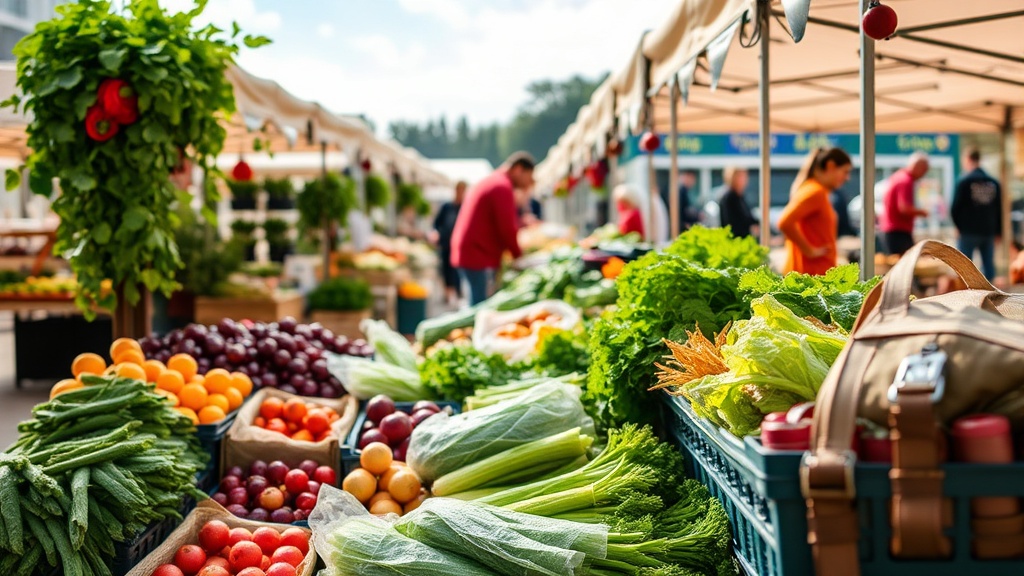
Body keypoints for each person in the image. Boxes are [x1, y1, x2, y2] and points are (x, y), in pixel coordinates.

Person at [451, 152, 533, 305]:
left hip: (472, 251)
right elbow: (506, 227)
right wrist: (518, 256)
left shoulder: (493, 181)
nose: (529, 181)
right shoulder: (502, 186)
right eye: (528, 175)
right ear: (518, 169)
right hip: (478, 254)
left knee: (475, 304)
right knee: (479, 308)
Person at [778, 147, 853, 275]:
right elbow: (784, 222)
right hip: (812, 276)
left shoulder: (815, 190)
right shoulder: (815, 192)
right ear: (830, 166)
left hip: (814, 275)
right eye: (845, 172)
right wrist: (809, 251)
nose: (847, 178)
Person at [952, 147, 1002, 281]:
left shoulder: (964, 181)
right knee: (988, 266)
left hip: (968, 230)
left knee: (964, 267)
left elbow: (955, 208)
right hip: (988, 230)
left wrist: (958, 226)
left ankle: (967, 297)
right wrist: (998, 231)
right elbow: (999, 209)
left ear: (967, 159)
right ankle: (989, 296)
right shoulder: (993, 182)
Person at [880, 152, 931, 256]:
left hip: (892, 229)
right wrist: (922, 212)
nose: (924, 174)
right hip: (898, 230)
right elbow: (904, 208)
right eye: (924, 170)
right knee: (905, 265)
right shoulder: (905, 180)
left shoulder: (898, 176)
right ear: (918, 166)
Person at [432, 181, 466, 304]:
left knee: (457, 271)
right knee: (446, 269)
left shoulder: (465, 207)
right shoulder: (447, 207)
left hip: (459, 245)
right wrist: (435, 233)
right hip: (446, 243)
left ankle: (457, 292)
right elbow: (436, 223)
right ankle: (448, 294)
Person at [716, 167, 757, 238]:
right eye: (740, 176)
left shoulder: (740, 197)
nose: (744, 180)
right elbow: (731, 224)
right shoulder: (729, 197)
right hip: (735, 241)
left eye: (745, 176)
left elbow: (750, 219)